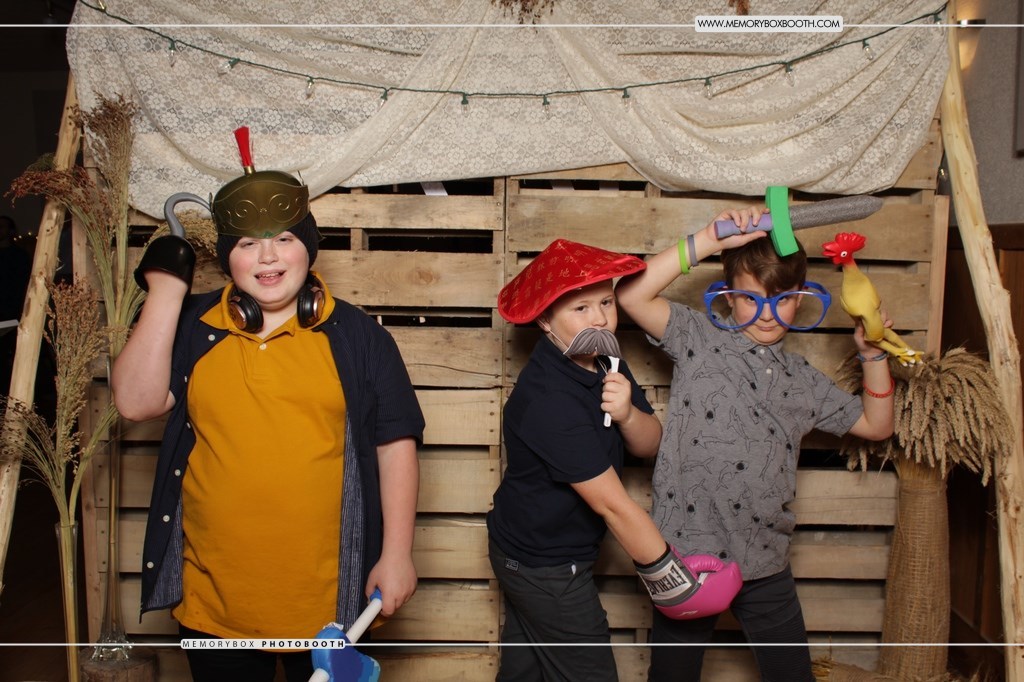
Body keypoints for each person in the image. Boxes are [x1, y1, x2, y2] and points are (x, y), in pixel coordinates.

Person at [111, 138, 424, 682]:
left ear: (308, 247)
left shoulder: (359, 337)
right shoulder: (194, 327)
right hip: (215, 601)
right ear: (226, 256)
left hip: (329, 604)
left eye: (284, 239)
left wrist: (396, 554)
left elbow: (395, 445)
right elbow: (136, 403)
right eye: (248, 244)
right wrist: (165, 291)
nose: (268, 257)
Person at [615, 207, 896, 682]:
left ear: (801, 299)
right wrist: (708, 239)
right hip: (686, 556)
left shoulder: (802, 381)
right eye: (750, 297)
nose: (767, 313)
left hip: (765, 558)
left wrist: (872, 356)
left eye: (782, 299)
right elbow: (630, 295)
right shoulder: (698, 338)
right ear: (728, 296)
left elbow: (877, 424)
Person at [488, 239, 742, 682]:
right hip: (543, 563)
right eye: (580, 308)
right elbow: (613, 506)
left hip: (547, 550)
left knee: (525, 672)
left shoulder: (607, 361)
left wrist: (626, 414)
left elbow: (650, 444)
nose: (601, 318)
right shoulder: (548, 402)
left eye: (606, 301)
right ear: (545, 319)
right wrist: (673, 581)